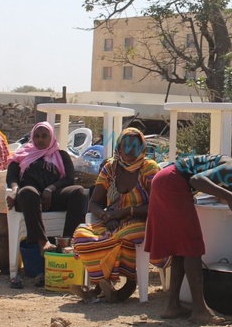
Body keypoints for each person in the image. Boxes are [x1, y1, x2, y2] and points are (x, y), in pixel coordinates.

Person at [144, 148, 232, 325]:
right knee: (192, 247)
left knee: (181, 248)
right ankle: (200, 310)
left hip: (167, 181)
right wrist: (229, 196)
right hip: (172, 183)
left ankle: (173, 306)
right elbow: (196, 179)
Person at [70, 127, 167, 303]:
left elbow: (155, 205)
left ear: (143, 147)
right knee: (82, 235)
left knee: (124, 236)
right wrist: (106, 217)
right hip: (112, 221)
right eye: (126, 145)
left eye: (135, 146)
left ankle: (126, 285)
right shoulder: (110, 168)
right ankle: (103, 286)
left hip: (142, 221)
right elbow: (94, 202)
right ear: (119, 147)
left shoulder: (148, 168)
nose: (130, 150)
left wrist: (123, 213)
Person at [5, 121, 87, 288]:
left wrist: (50, 189)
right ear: (32, 137)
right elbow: (12, 177)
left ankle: (67, 243)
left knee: (78, 192)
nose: (41, 139)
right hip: (28, 199)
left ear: (51, 137)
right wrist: (14, 190)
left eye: (45, 136)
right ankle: (43, 242)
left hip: (53, 196)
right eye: (37, 136)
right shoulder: (22, 154)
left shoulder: (61, 155)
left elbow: (69, 178)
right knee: (28, 192)